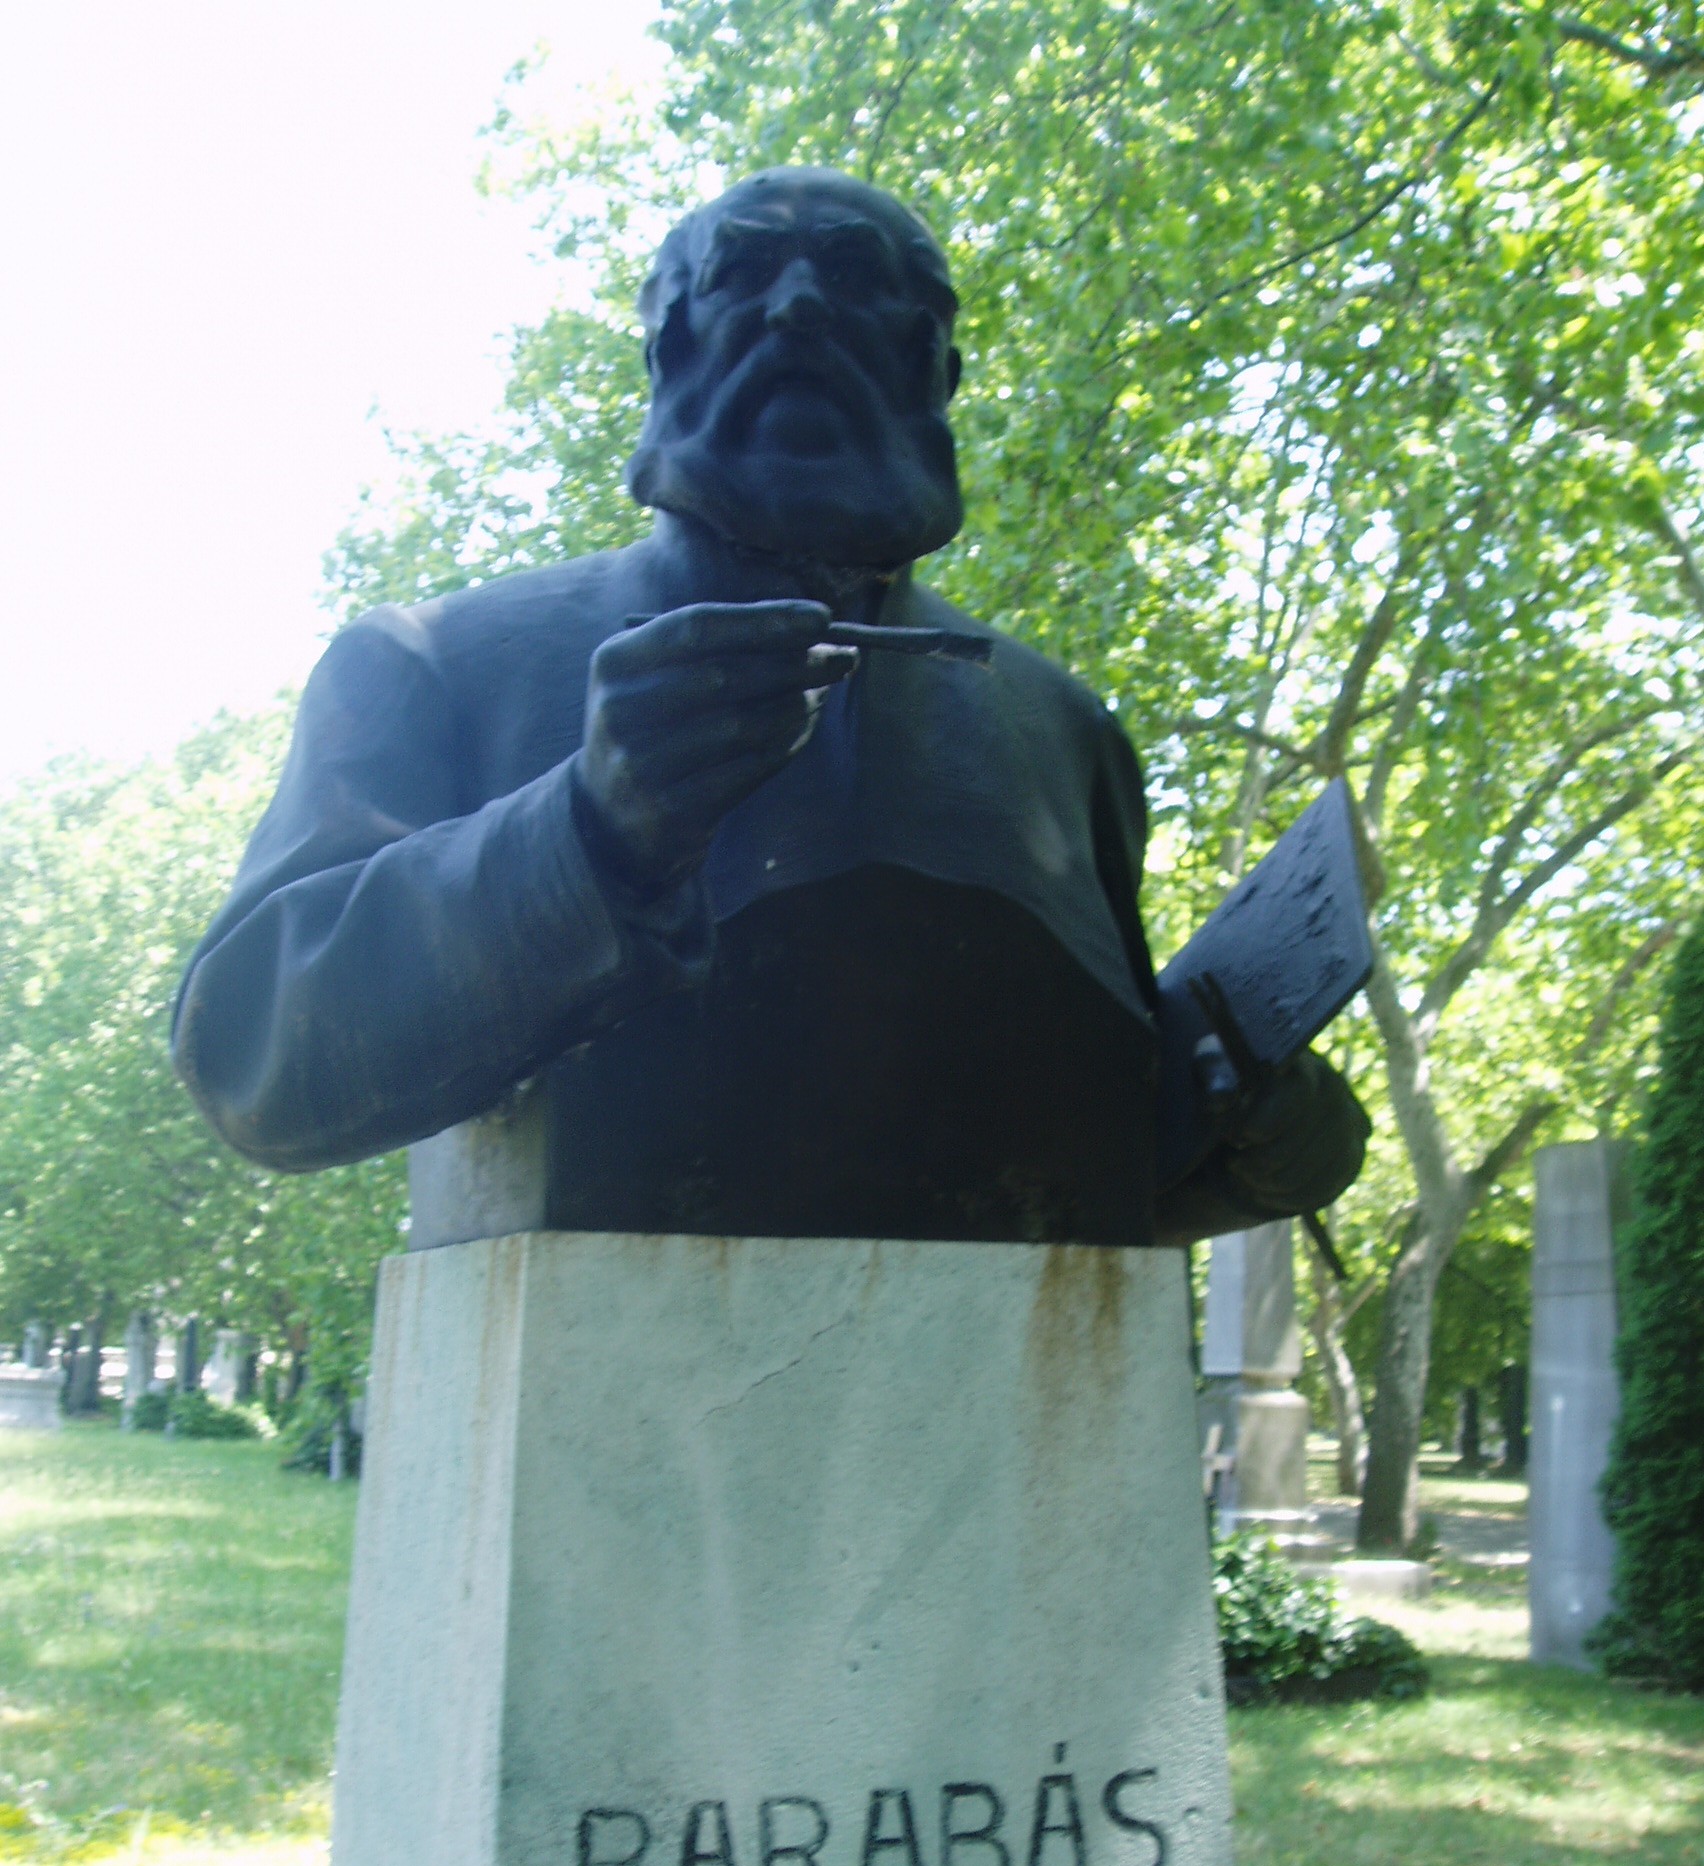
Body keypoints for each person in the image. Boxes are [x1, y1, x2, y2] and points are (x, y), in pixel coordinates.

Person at [174, 167, 1366, 1245]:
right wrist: (581, 839)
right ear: (666, 352)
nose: (798, 308)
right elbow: (251, 1057)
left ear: (935, 368)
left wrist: (1243, 1148)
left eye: (853, 274)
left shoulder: (1065, 736)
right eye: (742, 272)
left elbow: (1060, 1171)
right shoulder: (437, 666)